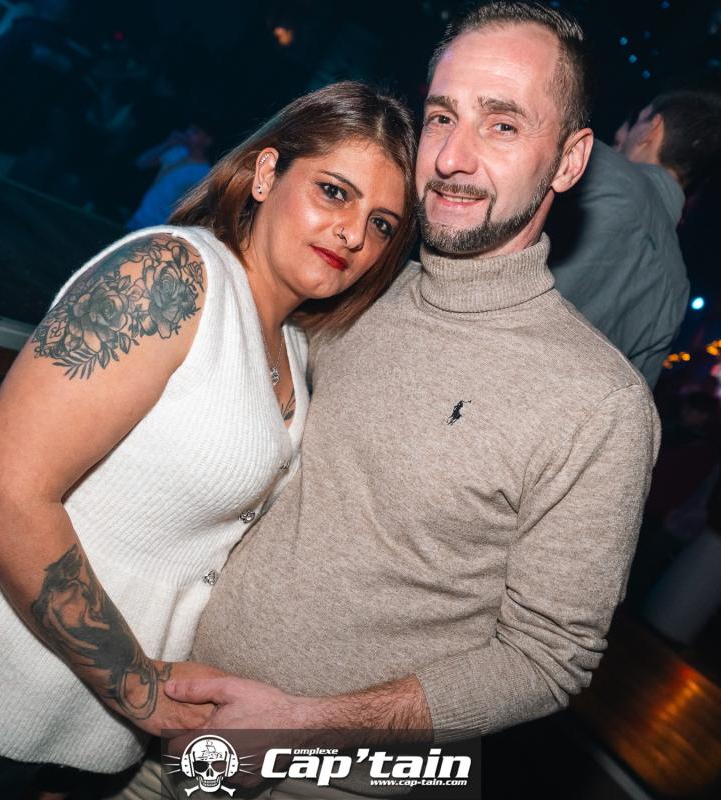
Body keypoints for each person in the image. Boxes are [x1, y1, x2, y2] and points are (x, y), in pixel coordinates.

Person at [123, 3, 660, 798]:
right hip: (160, 726)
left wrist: (296, 727)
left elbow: (548, 658)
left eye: (502, 125)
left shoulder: (599, 404)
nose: (452, 158)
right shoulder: (350, 288)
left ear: (569, 159)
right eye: (442, 116)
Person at [0, 81, 417, 799]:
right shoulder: (170, 274)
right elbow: (1, 490)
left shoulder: (291, 348)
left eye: (381, 224)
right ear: (267, 173)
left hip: (82, 727)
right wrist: (139, 687)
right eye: (334, 192)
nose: (351, 234)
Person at [546, 90, 721, 389]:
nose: (620, 134)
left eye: (637, 121)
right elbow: (634, 397)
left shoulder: (592, 165)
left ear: (652, 129)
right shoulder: (677, 291)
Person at [126, 126, 214, 230]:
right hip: (140, 217)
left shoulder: (203, 173)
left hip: (158, 227)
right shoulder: (178, 152)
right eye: (189, 130)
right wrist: (166, 144)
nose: (189, 133)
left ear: (207, 141)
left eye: (196, 132)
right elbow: (141, 163)